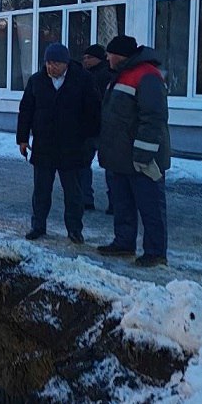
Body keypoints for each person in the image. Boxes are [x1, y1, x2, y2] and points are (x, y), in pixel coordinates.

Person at [96, 35, 171, 267]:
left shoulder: (147, 76)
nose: (106, 57)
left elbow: (153, 119)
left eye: (110, 53)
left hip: (142, 160)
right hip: (120, 158)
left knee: (150, 207)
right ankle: (124, 242)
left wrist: (143, 155)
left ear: (120, 55)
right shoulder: (120, 76)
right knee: (122, 204)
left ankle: (155, 252)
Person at [16, 42, 101, 244]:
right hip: (44, 146)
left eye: (55, 63)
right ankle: (38, 226)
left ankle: (74, 229)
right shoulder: (37, 81)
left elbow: (94, 112)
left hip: (72, 148)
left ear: (66, 64)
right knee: (41, 191)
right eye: (48, 63)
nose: (50, 67)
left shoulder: (83, 80)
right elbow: (26, 110)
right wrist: (22, 138)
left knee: (73, 193)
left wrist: (89, 141)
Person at [80, 43, 114, 213]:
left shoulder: (106, 76)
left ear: (99, 58)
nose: (85, 60)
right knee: (84, 164)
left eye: (89, 57)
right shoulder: (84, 75)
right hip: (89, 128)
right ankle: (87, 199)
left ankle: (112, 202)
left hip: (104, 128)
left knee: (110, 165)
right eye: (84, 58)